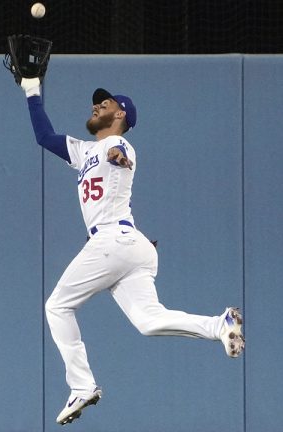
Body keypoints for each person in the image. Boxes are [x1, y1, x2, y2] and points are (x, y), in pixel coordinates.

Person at [16, 77, 245, 426]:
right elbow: (44, 137)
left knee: (57, 306)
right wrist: (32, 89)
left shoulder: (119, 143)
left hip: (112, 240)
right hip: (131, 245)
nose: (97, 106)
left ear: (121, 114)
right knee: (149, 321)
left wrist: (117, 154)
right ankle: (220, 325)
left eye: (105, 104)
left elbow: (117, 153)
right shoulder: (83, 151)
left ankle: (81, 386)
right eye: (97, 103)